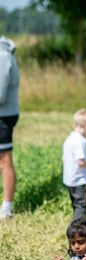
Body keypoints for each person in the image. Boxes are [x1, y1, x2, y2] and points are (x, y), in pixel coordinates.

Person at [62, 108, 86, 220]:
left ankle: (76, 223)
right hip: (78, 180)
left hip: (69, 179)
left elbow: (63, 158)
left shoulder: (69, 138)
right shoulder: (80, 141)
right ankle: (79, 226)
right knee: (81, 205)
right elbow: (80, 162)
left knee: (75, 203)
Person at [0, 36, 20, 219]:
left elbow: (0, 94)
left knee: (4, 160)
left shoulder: (2, 55)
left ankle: (6, 208)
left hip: (3, 116)